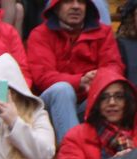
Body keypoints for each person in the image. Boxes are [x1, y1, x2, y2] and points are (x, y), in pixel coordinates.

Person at [29, 0, 123, 139]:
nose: (76, 6)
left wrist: (99, 79)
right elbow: (42, 76)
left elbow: (114, 66)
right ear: (56, 8)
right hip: (50, 105)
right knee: (62, 90)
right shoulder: (40, 34)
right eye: (68, 2)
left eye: (81, 2)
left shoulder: (103, 32)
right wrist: (80, 80)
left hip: (89, 101)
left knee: (109, 91)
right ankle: (74, 153)